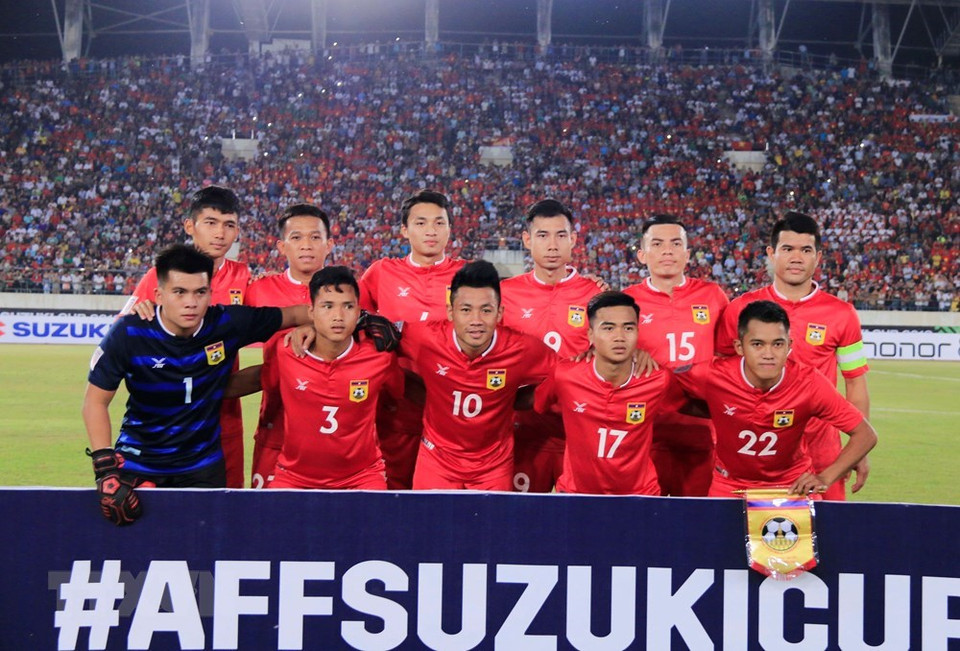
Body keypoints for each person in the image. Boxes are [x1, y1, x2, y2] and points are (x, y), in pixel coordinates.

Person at [83, 245, 309, 525]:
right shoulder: (129, 332)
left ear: (210, 294)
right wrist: (105, 467)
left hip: (202, 467)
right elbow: (95, 401)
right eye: (179, 292)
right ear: (159, 295)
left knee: (205, 554)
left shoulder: (227, 322)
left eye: (199, 292)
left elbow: (299, 313)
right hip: (138, 464)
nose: (191, 302)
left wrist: (311, 326)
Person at [715, 212, 871, 500]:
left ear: (818, 257)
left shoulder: (842, 314)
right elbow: (720, 378)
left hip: (822, 450)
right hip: (758, 452)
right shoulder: (741, 309)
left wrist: (854, 450)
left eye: (806, 250)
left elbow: (856, 383)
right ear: (772, 254)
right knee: (744, 537)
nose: (796, 257)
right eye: (788, 249)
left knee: (824, 539)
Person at [674, 300, 877, 497]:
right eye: (757, 344)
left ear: (790, 345)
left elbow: (866, 434)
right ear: (739, 347)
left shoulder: (809, 383)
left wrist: (825, 478)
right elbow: (666, 386)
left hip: (793, 486)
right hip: (729, 485)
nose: (768, 354)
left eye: (777, 344)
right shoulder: (712, 374)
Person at [120, 186, 251, 488]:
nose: (220, 233)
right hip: (165, 423)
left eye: (228, 225)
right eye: (211, 223)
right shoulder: (162, 275)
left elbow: (267, 322)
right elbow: (120, 337)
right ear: (190, 226)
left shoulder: (244, 277)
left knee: (224, 512)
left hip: (222, 417)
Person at [398, 260, 555, 490]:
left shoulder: (522, 349)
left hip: (493, 467)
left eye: (486, 310)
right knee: (430, 526)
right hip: (437, 461)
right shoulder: (425, 338)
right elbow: (379, 340)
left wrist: (520, 400)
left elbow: (565, 374)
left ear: (500, 313)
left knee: (492, 527)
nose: (476, 321)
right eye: (465, 310)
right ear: (451, 312)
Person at [358, 190, 467, 489]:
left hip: (452, 413)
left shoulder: (467, 275)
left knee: (442, 509)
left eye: (439, 223)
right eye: (421, 223)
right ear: (404, 230)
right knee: (393, 499)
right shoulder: (381, 273)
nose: (431, 231)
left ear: (449, 228)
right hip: (394, 412)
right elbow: (350, 318)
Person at [534, 292, 685, 495]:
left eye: (628, 328)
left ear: (638, 332)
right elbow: (539, 404)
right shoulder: (565, 375)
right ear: (590, 335)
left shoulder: (658, 379)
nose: (620, 337)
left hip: (639, 496)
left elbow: (683, 405)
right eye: (608, 328)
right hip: (576, 494)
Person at [266, 267, 403, 490]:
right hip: (294, 476)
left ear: (359, 312)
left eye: (348, 307)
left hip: (362, 477)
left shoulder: (379, 356)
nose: (338, 317)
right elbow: (269, 388)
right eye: (327, 306)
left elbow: (397, 394)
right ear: (311, 311)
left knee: (378, 524)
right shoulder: (285, 350)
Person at [500, 199, 603, 493]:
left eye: (560, 235)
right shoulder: (505, 294)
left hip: (578, 432)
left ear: (573, 240)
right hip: (520, 431)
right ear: (527, 240)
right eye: (543, 236)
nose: (552, 245)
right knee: (522, 525)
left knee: (576, 527)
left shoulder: (595, 295)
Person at [623, 215, 729, 496]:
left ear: (687, 253)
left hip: (702, 432)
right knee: (645, 525)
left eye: (675, 243)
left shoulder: (713, 296)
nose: (667, 251)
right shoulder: (625, 302)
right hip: (643, 432)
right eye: (657, 244)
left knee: (699, 525)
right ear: (642, 255)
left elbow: (730, 358)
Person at [246, 203, 334, 488]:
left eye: (315, 237)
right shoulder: (258, 291)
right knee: (266, 523)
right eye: (296, 238)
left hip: (335, 434)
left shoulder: (349, 293)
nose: (306, 245)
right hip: (275, 431)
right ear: (281, 246)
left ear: (329, 244)